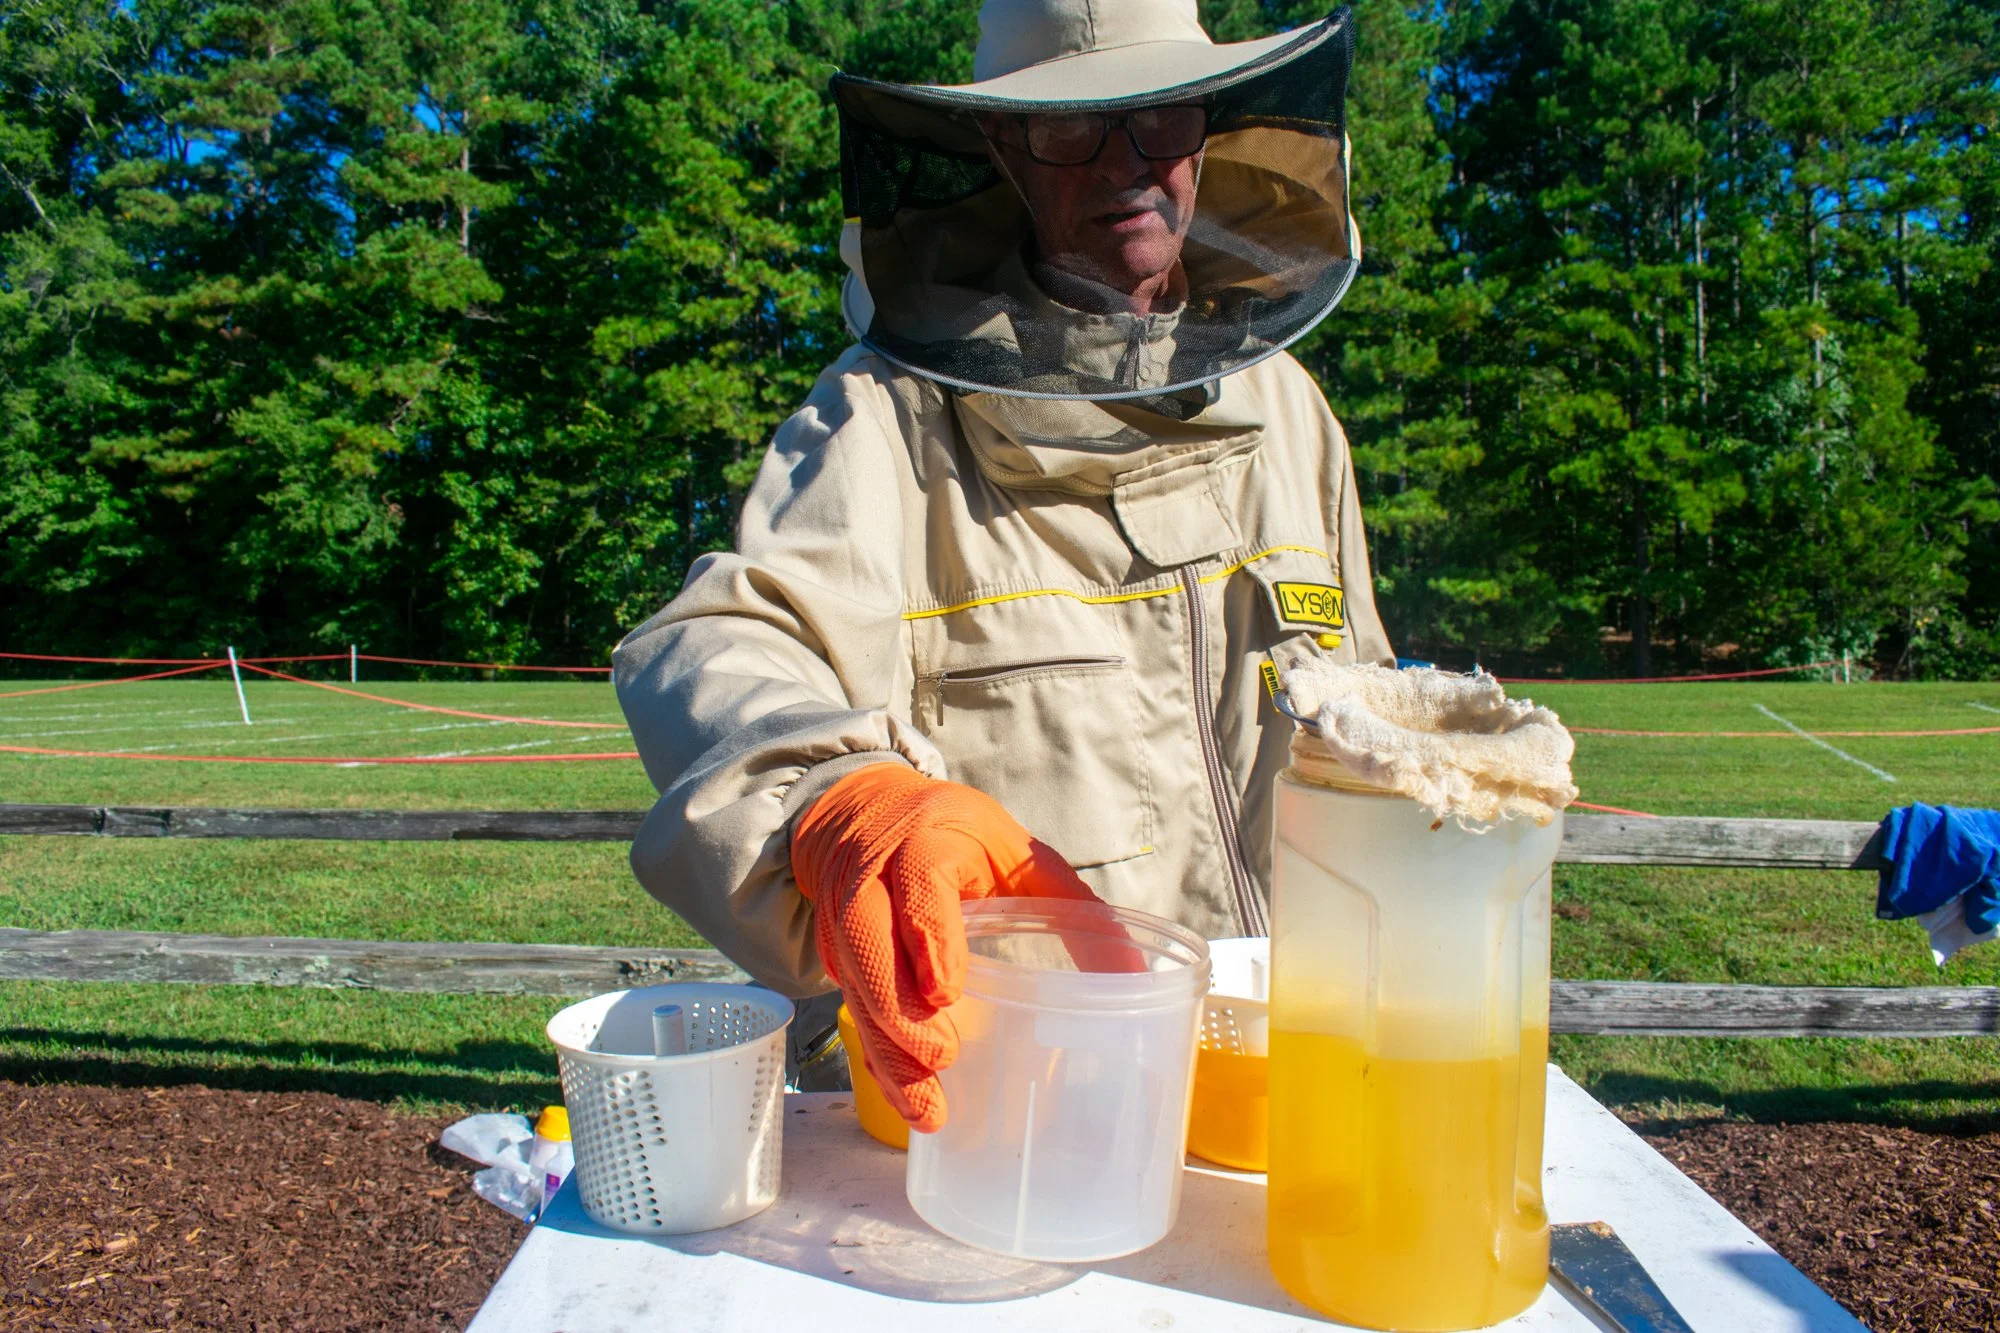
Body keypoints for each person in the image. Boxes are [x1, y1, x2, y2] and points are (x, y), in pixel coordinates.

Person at [614, 0, 1391, 1132]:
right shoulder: (885, 413)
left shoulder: (1288, 409)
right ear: (1003, 149)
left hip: (1279, 1081)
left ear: (1205, 122)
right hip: (1003, 1104)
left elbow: (1358, 711)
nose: (1129, 166)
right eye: (1076, 129)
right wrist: (835, 799)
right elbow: (719, 643)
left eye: (1159, 117)